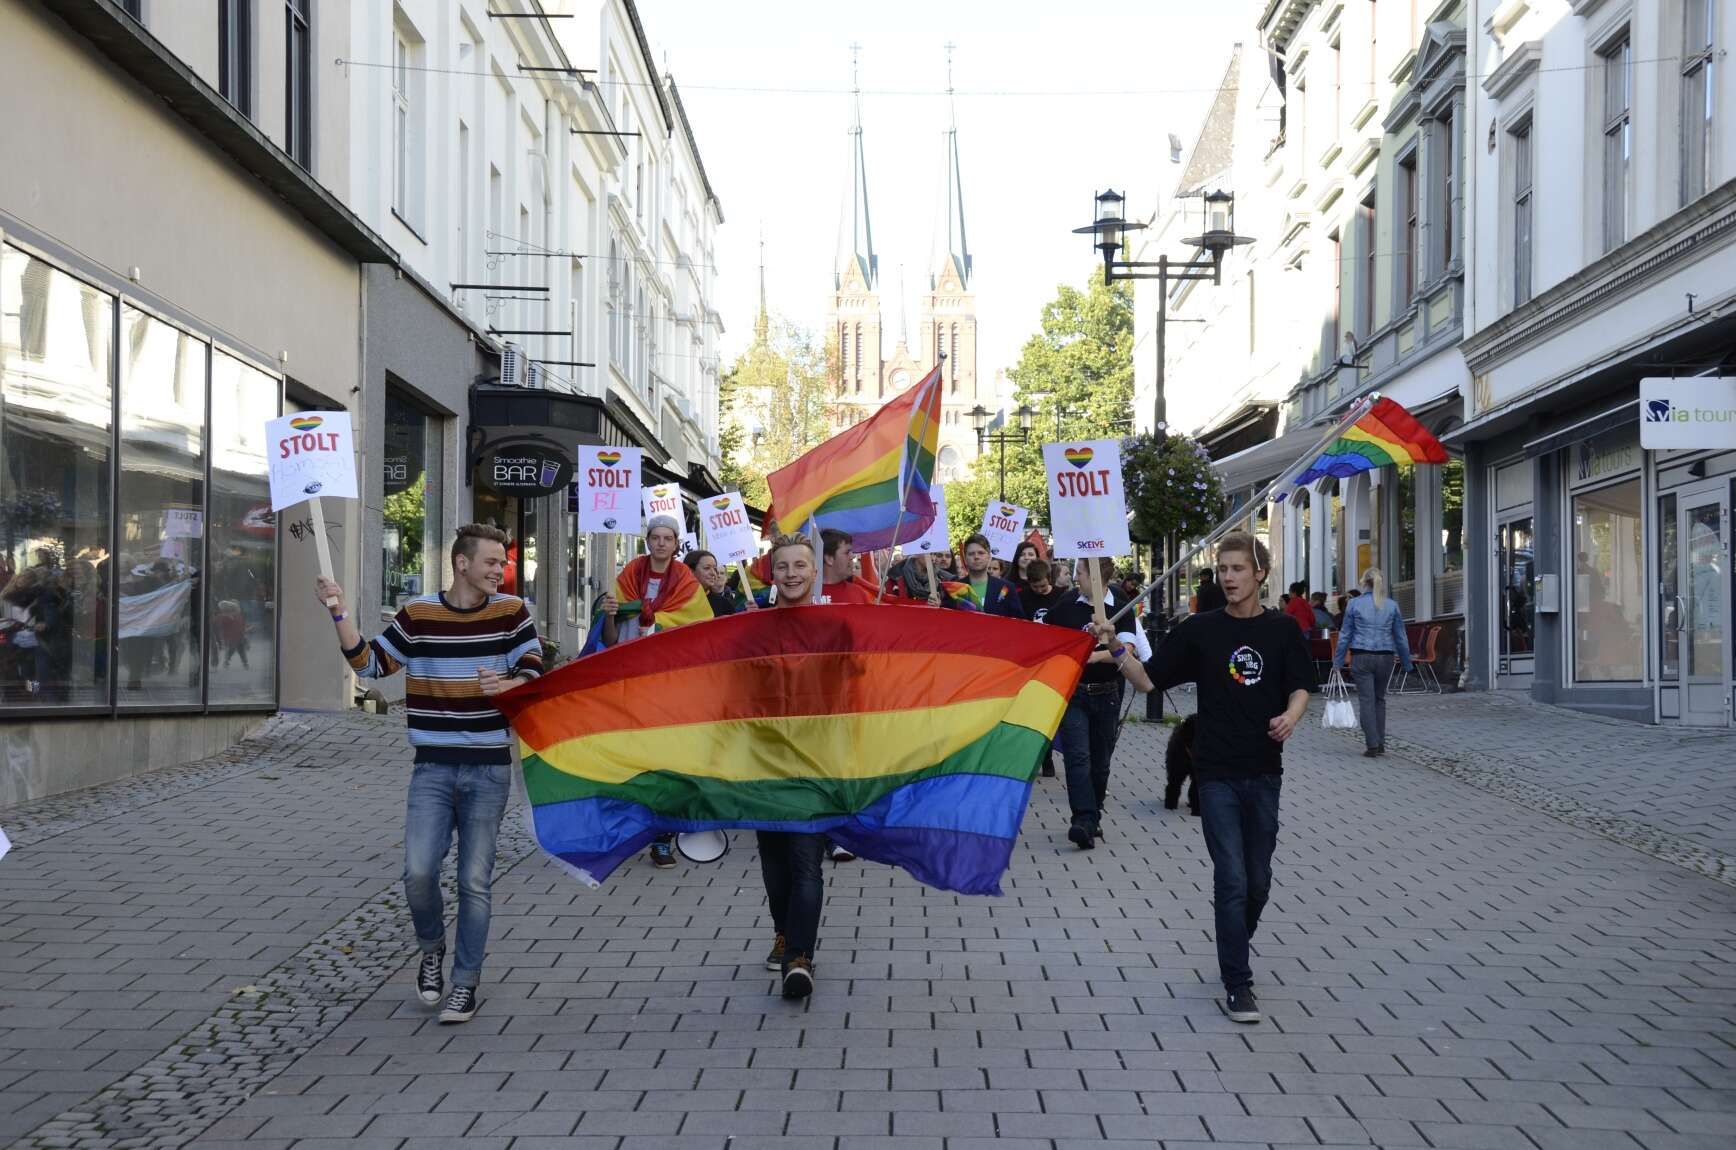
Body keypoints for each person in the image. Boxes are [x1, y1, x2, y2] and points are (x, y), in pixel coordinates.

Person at [317, 524, 542, 1025]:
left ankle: (465, 984)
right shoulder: (419, 614)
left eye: (502, 562)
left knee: (474, 881)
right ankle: (432, 948)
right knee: (418, 873)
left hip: (488, 768)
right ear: (462, 563)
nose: (499, 570)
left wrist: (508, 683)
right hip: (433, 767)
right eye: (491, 562)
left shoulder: (511, 611)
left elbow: (533, 668)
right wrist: (338, 611)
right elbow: (371, 665)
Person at [1146, 532, 1312, 1025]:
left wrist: (1291, 717)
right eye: (1222, 570)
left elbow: (1301, 686)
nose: (1228, 578)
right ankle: (1238, 982)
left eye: (1237, 569)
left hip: (1264, 772)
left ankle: (1233, 940)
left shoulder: (1282, 630)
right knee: (1233, 879)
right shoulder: (1201, 629)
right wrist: (1115, 648)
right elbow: (1149, 678)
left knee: (1258, 883)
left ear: (1260, 573)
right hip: (1215, 773)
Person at [598, 516, 714, 867]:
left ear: (676, 544)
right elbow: (609, 641)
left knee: (667, 759)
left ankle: (662, 838)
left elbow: (701, 633)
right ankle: (630, 828)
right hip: (630, 682)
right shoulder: (628, 576)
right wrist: (609, 614)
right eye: (655, 537)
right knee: (632, 760)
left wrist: (660, 623)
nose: (661, 543)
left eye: (668, 538)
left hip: (669, 684)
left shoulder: (687, 583)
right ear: (647, 540)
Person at [757, 534, 830, 1000]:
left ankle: (799, 956)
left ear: (814, 572)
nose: (791, 574)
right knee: (774, 861)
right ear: (772, 573)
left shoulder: (835, 628)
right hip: (762, 759)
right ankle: (783, 930)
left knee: (806, 860)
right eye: (783, 566)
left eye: (800, 565)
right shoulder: (753, 629)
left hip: (816, 761)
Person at [1038, 557, 1133, 848]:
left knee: (1100, 763)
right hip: (1074, 693)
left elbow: (1127, 650)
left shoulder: (1121, 605)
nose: (1074, 577)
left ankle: (1093, 813)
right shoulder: (1067, 605)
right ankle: (1083, 820)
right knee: (1077, 758)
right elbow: (1041, 633)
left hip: (1108, 694)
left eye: (1078, 572)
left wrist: (1094, 656)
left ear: (1095, 577)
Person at [1333, 568, 1413, 757]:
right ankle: (1381, 742)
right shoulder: (1391, 605)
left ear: (1363, 582)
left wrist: (1337, 661)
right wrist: (1407, 663)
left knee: (1367, 701)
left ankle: (1372, 744)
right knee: (1379, 700)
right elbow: (1400, 637)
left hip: (1361, 656)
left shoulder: (1354, 604)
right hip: (1385, 657)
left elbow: (1345, 635)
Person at [958, 533, 1023, 616]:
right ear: (965, 558)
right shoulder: (955, 588)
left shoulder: (1006, 588)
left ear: (989, 557)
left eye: (981, 553)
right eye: (971, 554)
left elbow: (1019, 621)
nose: (976, 557)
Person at [684, 549, 745, 617]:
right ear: (691, 571)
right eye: (707, 568)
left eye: (715, 568)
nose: (713, 573)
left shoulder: (723, 604)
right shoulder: (677, 600)